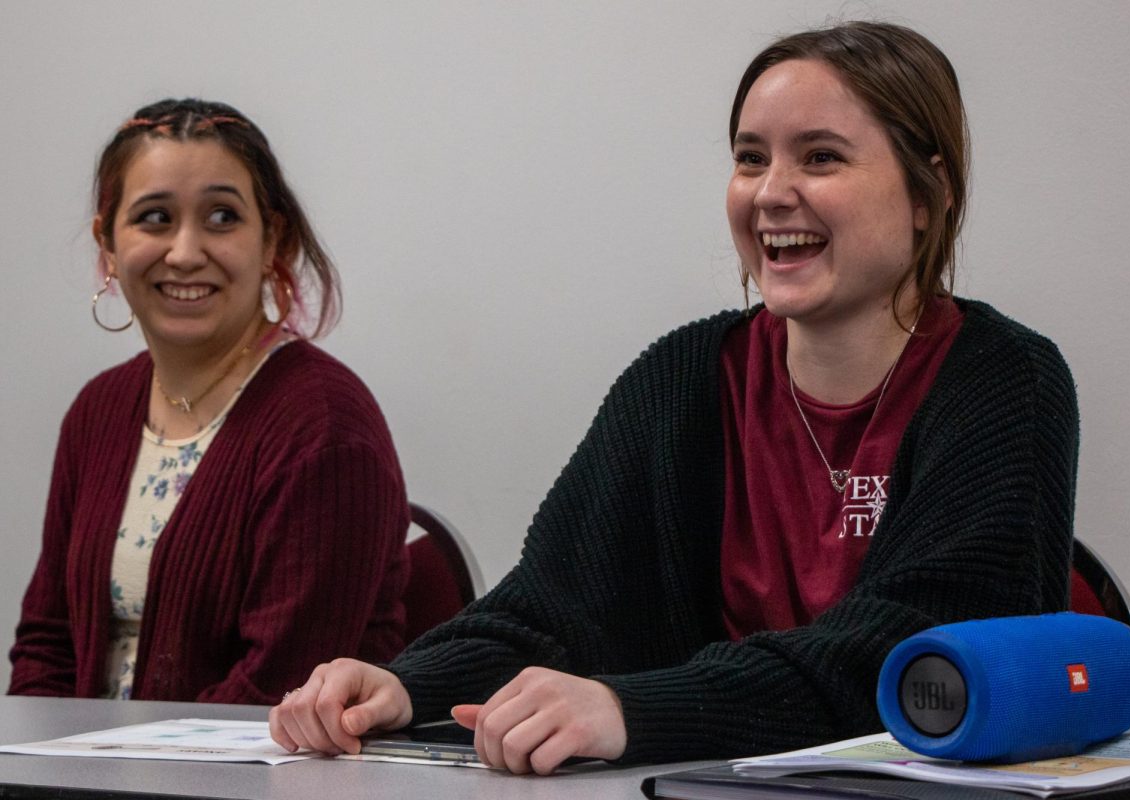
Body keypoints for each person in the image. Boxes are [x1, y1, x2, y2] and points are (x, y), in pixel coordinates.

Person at [270, 21, 1078, 772]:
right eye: (751, 157)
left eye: (821, 158)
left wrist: (635, 709)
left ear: (926, 195)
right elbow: (552, 610)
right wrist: (404, 686)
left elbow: (910, 661)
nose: (771, 192)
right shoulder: (687, 376)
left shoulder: (1005, 380)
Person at [8, 99, 410, 704]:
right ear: (108, 245)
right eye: (154, 218)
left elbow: (274, 696)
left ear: (272, 236)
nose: (186, 251)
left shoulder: (325, 427)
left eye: (222, 216)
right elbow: (47, 642)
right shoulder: (99, 409)